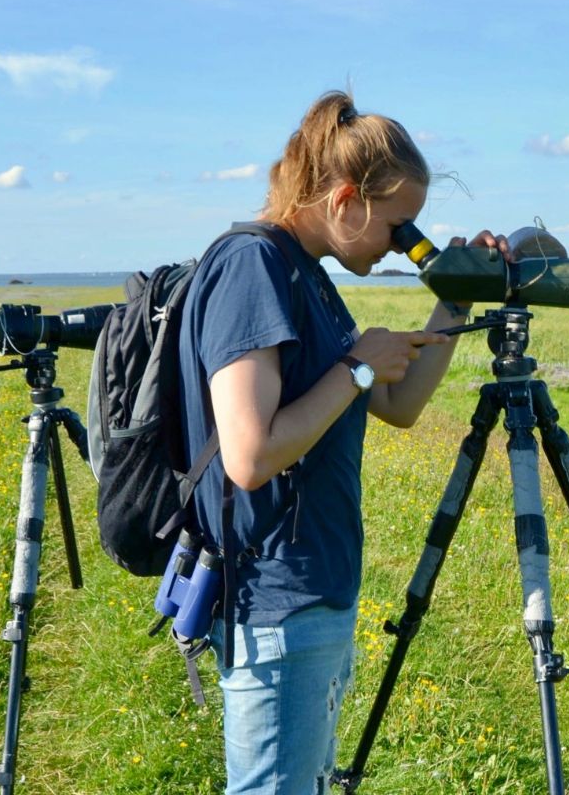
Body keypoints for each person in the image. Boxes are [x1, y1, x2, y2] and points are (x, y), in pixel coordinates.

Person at [177, 90, 512, 794]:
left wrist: (455, 297)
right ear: (346, 199)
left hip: (313, 590)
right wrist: (357, 366)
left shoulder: (308, 276)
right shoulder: (253, 267)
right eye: (399, 225)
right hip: (275, 599)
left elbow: (398, 405)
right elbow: (250, 456)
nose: (404, 243)